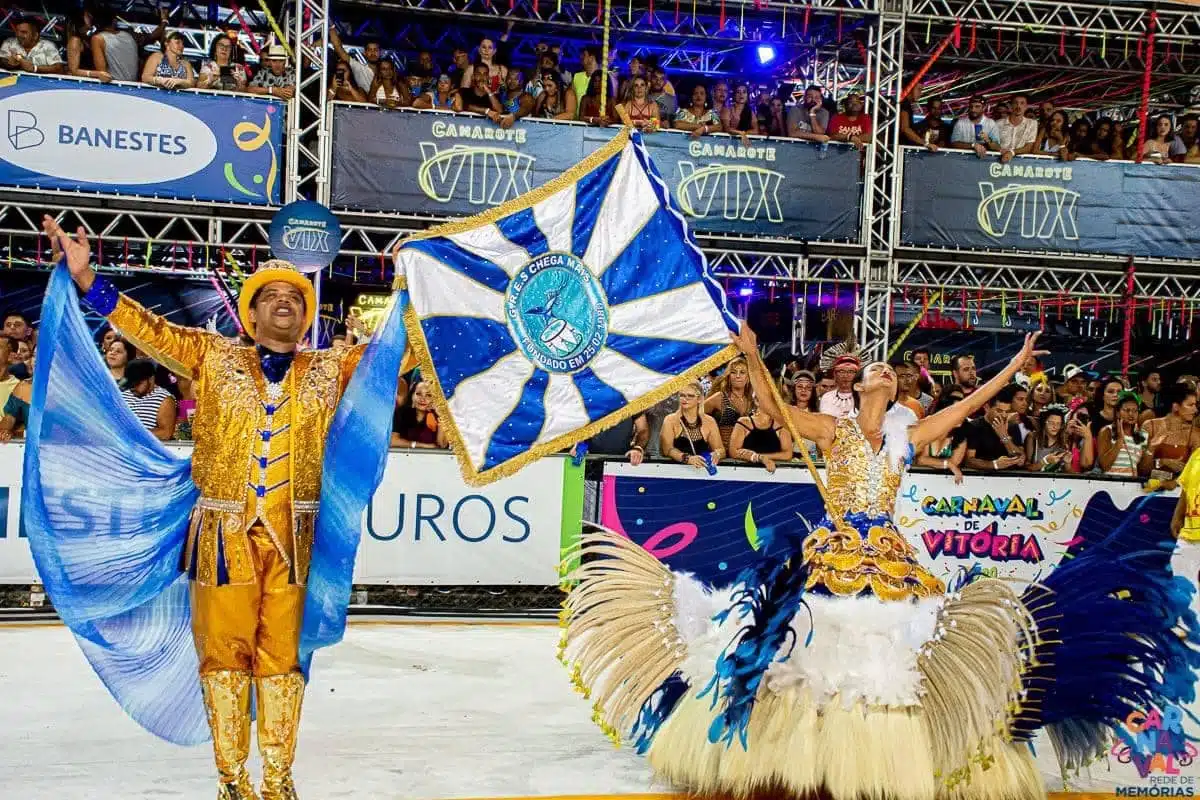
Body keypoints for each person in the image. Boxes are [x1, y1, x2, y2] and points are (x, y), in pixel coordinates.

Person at [561, 325, 1200, 800]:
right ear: (857, 385)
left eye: (892, 373)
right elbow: (776, 410)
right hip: (834, 547)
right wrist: (753, 356)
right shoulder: (832, 431)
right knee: (811, 647)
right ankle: (799, 748)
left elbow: (967, 409)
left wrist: (1014, 367)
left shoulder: (907, 436)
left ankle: (891, 750)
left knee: (889, 653)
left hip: (890, 554)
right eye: (876, 370)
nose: (885, 375)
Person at [38, 215, 413, 800]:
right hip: (221, 534)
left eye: (296, 297)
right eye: (273, 295)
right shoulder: (210, 355)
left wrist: (412, 285)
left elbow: (395, 354)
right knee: (223, 658)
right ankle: (233, 780)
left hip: (295, 540)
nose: (285, 302)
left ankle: (279, 781)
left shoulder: (331, 368)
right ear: (252, 312)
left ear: (306, 315)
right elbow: (148, 330)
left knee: (282, 660)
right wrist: (89, 281)